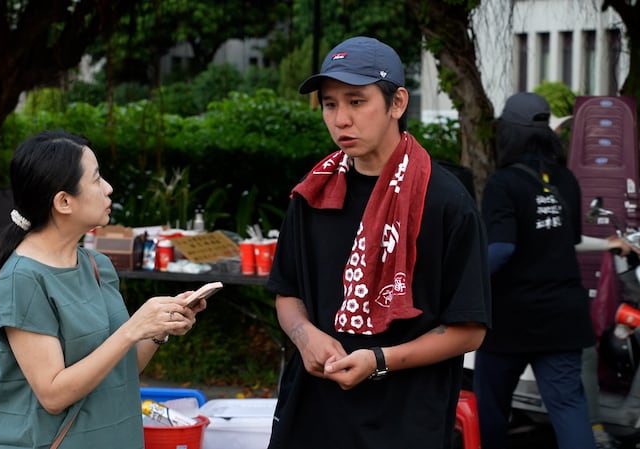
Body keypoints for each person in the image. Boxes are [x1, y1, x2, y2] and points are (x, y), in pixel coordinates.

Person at [264, 36, 492, 449]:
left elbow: (469, 330)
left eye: (356, 101)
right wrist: (305, 336)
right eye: (330, 104)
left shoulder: (444, 200)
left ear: (397, 103)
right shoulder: (314, 192)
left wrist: (379, 360)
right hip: (314, 414)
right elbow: (287, 292)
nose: (340, 119)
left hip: (404, 422)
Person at [0, 130, 207, 449]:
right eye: (96, 180)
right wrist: (133, 328)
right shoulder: (22, 280)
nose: (108, 188)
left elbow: (121, 367)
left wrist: (158, 329)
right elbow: (53, 394)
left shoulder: (96, 265)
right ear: (64, 201)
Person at [474, 92, 636, 449]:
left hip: (509, 320)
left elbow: (500, 250)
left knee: (491, 407)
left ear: (508, 133)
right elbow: (568, 239)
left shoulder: (503, 184)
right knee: (569, 408)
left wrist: (461, 286)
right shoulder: (565, 179)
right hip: (563, 318)